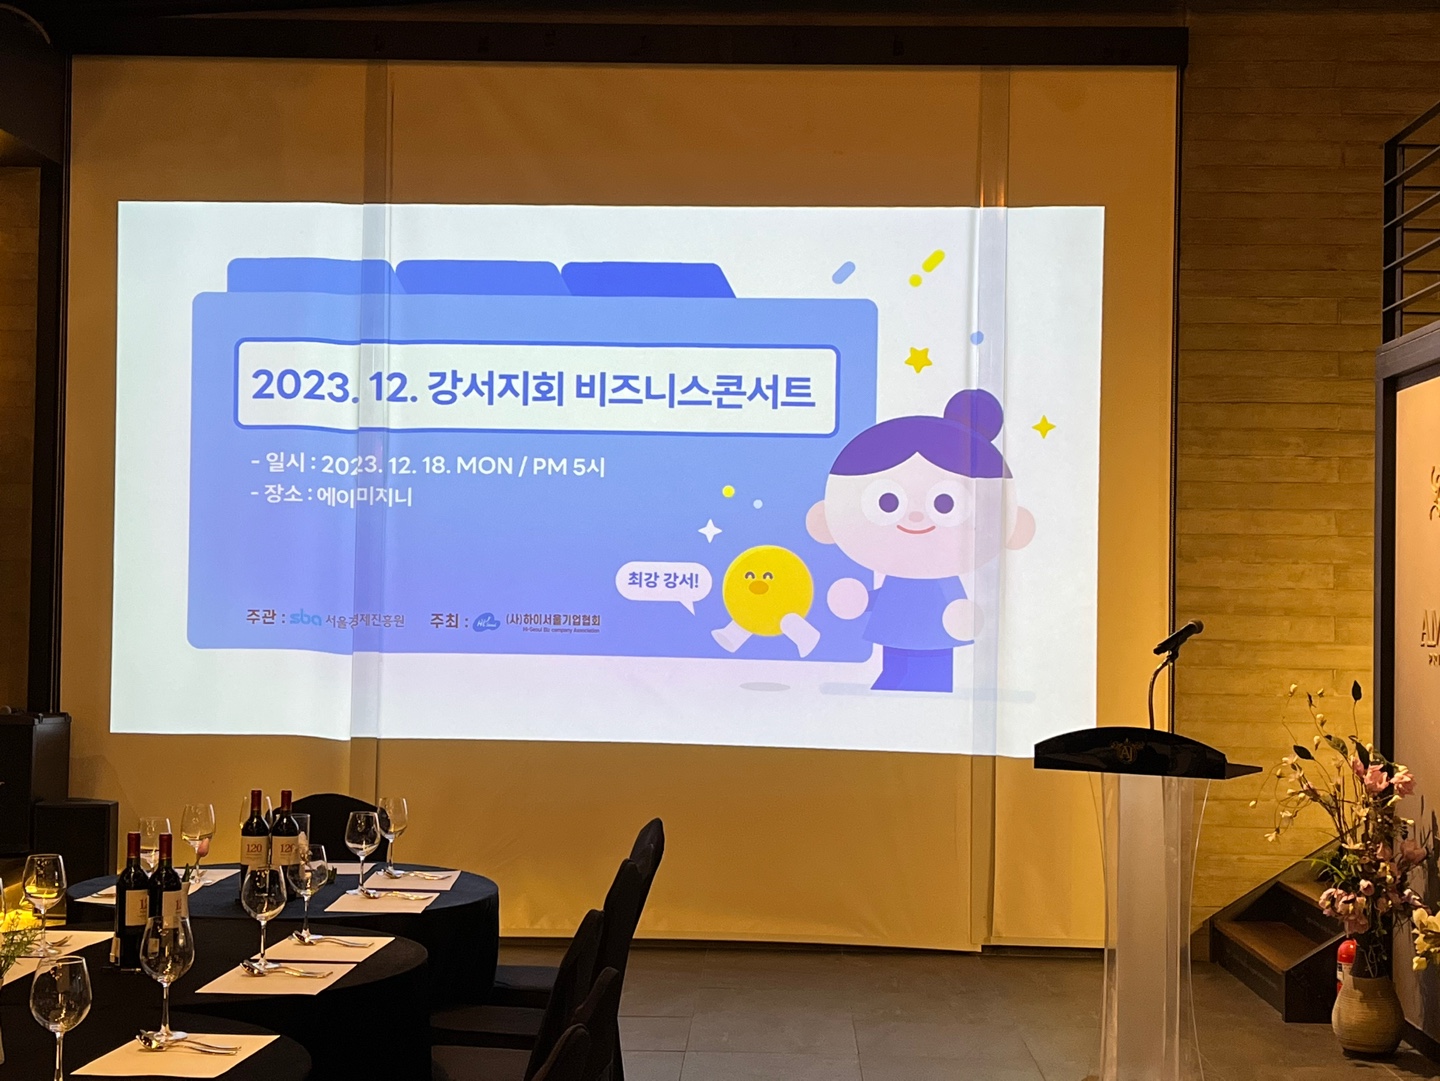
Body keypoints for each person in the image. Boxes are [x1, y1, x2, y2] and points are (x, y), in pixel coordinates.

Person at [805, 388, 1034, 692]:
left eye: (945, 504)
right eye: (887, 503)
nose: (914, 517)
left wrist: (961, 615)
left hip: (934, 638)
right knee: (895, 669)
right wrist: (861, 600)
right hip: (894, 633)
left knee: (930, 677)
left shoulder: (941, 576)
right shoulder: (900, 576)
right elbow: (886, 600)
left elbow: (953, 606)